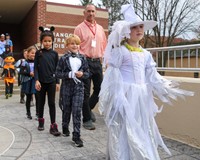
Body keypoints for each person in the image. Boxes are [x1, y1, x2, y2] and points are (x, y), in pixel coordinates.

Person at [98, 4, 194, 160]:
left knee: (142, 124)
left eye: (141, 26)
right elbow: (112, 75)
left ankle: (142, 154)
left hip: (142, 97)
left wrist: (164, 85)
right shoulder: (121, 52)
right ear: (127, 31)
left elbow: (152, 74)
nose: (138, 30)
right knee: (125, 125)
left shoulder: (146, 54)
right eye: (134, 27)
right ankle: (123, 155)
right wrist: (115, 96)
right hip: (126, 96)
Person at [74, 4, 107, 130]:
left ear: (95, 13)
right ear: (84, 13)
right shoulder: (79, 28)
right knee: (85, 92)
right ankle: (87, 119)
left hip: (97, 62)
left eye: (93, 11)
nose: (91, 13)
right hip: (85, 62)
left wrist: (105, 62)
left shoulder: (100, 29)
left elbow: (104, 46)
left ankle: (88, 108)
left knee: (100, 89)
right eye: (88, 11)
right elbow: (76, 47)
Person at [56, 34, 90, 147]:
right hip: (67, 88)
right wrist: (69, 74)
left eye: (76, 43)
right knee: (66, 109)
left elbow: (88, 73)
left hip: (79, 88)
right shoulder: (63, 59)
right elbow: (58, 73)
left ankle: (76, 136)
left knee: (76, 111)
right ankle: (65, 126)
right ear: (67, 45)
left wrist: (82, 74)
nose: (75, 45)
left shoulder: (83, 58)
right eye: (72, 43)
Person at [34, 26, 61, 136]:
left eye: (49, 41)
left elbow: (57, 69)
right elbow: (35, 67)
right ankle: (41, 121)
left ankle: (53, 125)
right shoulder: (38, 53)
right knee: (41, 103)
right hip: (41, 82)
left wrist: (58, 82)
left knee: (51, 103)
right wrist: (36, 80)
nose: (47, 43)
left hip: (51, 82)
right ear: (41, 41)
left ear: (52, 41)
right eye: (45, 41)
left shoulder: (55, 54)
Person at [20, 46, 39, 120]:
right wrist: (29, 73)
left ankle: (38, 113)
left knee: (38, 97)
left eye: (35, 53)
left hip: (36, 81)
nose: (33, 55)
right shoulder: (24, 62)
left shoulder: (37, 62)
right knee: (28, 97)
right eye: (32, 53)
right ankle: (28, 113)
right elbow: (21, 72)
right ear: (27, 54)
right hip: (28, 81)